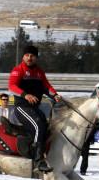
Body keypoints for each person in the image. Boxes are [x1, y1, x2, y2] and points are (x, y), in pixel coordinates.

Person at [8, 44, 62, 173]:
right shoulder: (18, 70)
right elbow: (11, 86)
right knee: (38, 125)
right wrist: (25, 95)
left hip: (34, 108)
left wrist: (55, 95)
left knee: (47, 126)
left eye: (32, 55)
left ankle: (42, 153)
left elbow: (46, 86)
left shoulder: (39, 72)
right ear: (23, 57)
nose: (29, 58)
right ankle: (38, 161)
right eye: (27, 55)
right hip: (22, 107)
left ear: (36, 58)